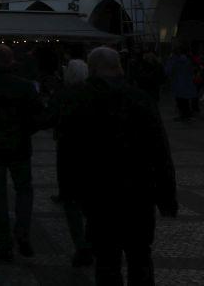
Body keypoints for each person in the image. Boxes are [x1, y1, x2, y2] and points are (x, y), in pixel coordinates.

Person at [71, 47, 178, 285]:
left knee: (107, 261)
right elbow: (160, 150)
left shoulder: (82, 99)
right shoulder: (140, 98)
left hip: (100, 195)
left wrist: (73, 192)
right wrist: (167, 196)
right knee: (140, 257)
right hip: (139, 193)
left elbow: (71, 151)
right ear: (119, 66)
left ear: (93, 69)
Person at [0, 44, 45, 261]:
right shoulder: (25, 86)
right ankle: (22, 232)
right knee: (24, 191)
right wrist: (26, 130)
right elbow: (39, 116)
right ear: (11, 61)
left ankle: (4, 244)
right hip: (19, 146)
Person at [45, 59, 93, 267]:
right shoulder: (95, 94)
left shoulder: (62, 95)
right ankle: (91, 242)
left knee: (71, 201)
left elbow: (48, 118)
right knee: (91, 199)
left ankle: (81, 245)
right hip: (93, 151)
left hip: (68, 151)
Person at [165, 45, 197, 121]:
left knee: (180, 101)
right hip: (186, 83)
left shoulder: (174, 60)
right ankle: (186, 115)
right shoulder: (188, 60)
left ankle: (183, 115)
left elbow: (168, 71)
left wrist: (169, 60)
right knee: (185, 101)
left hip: (177, 83)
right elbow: (192, 71)